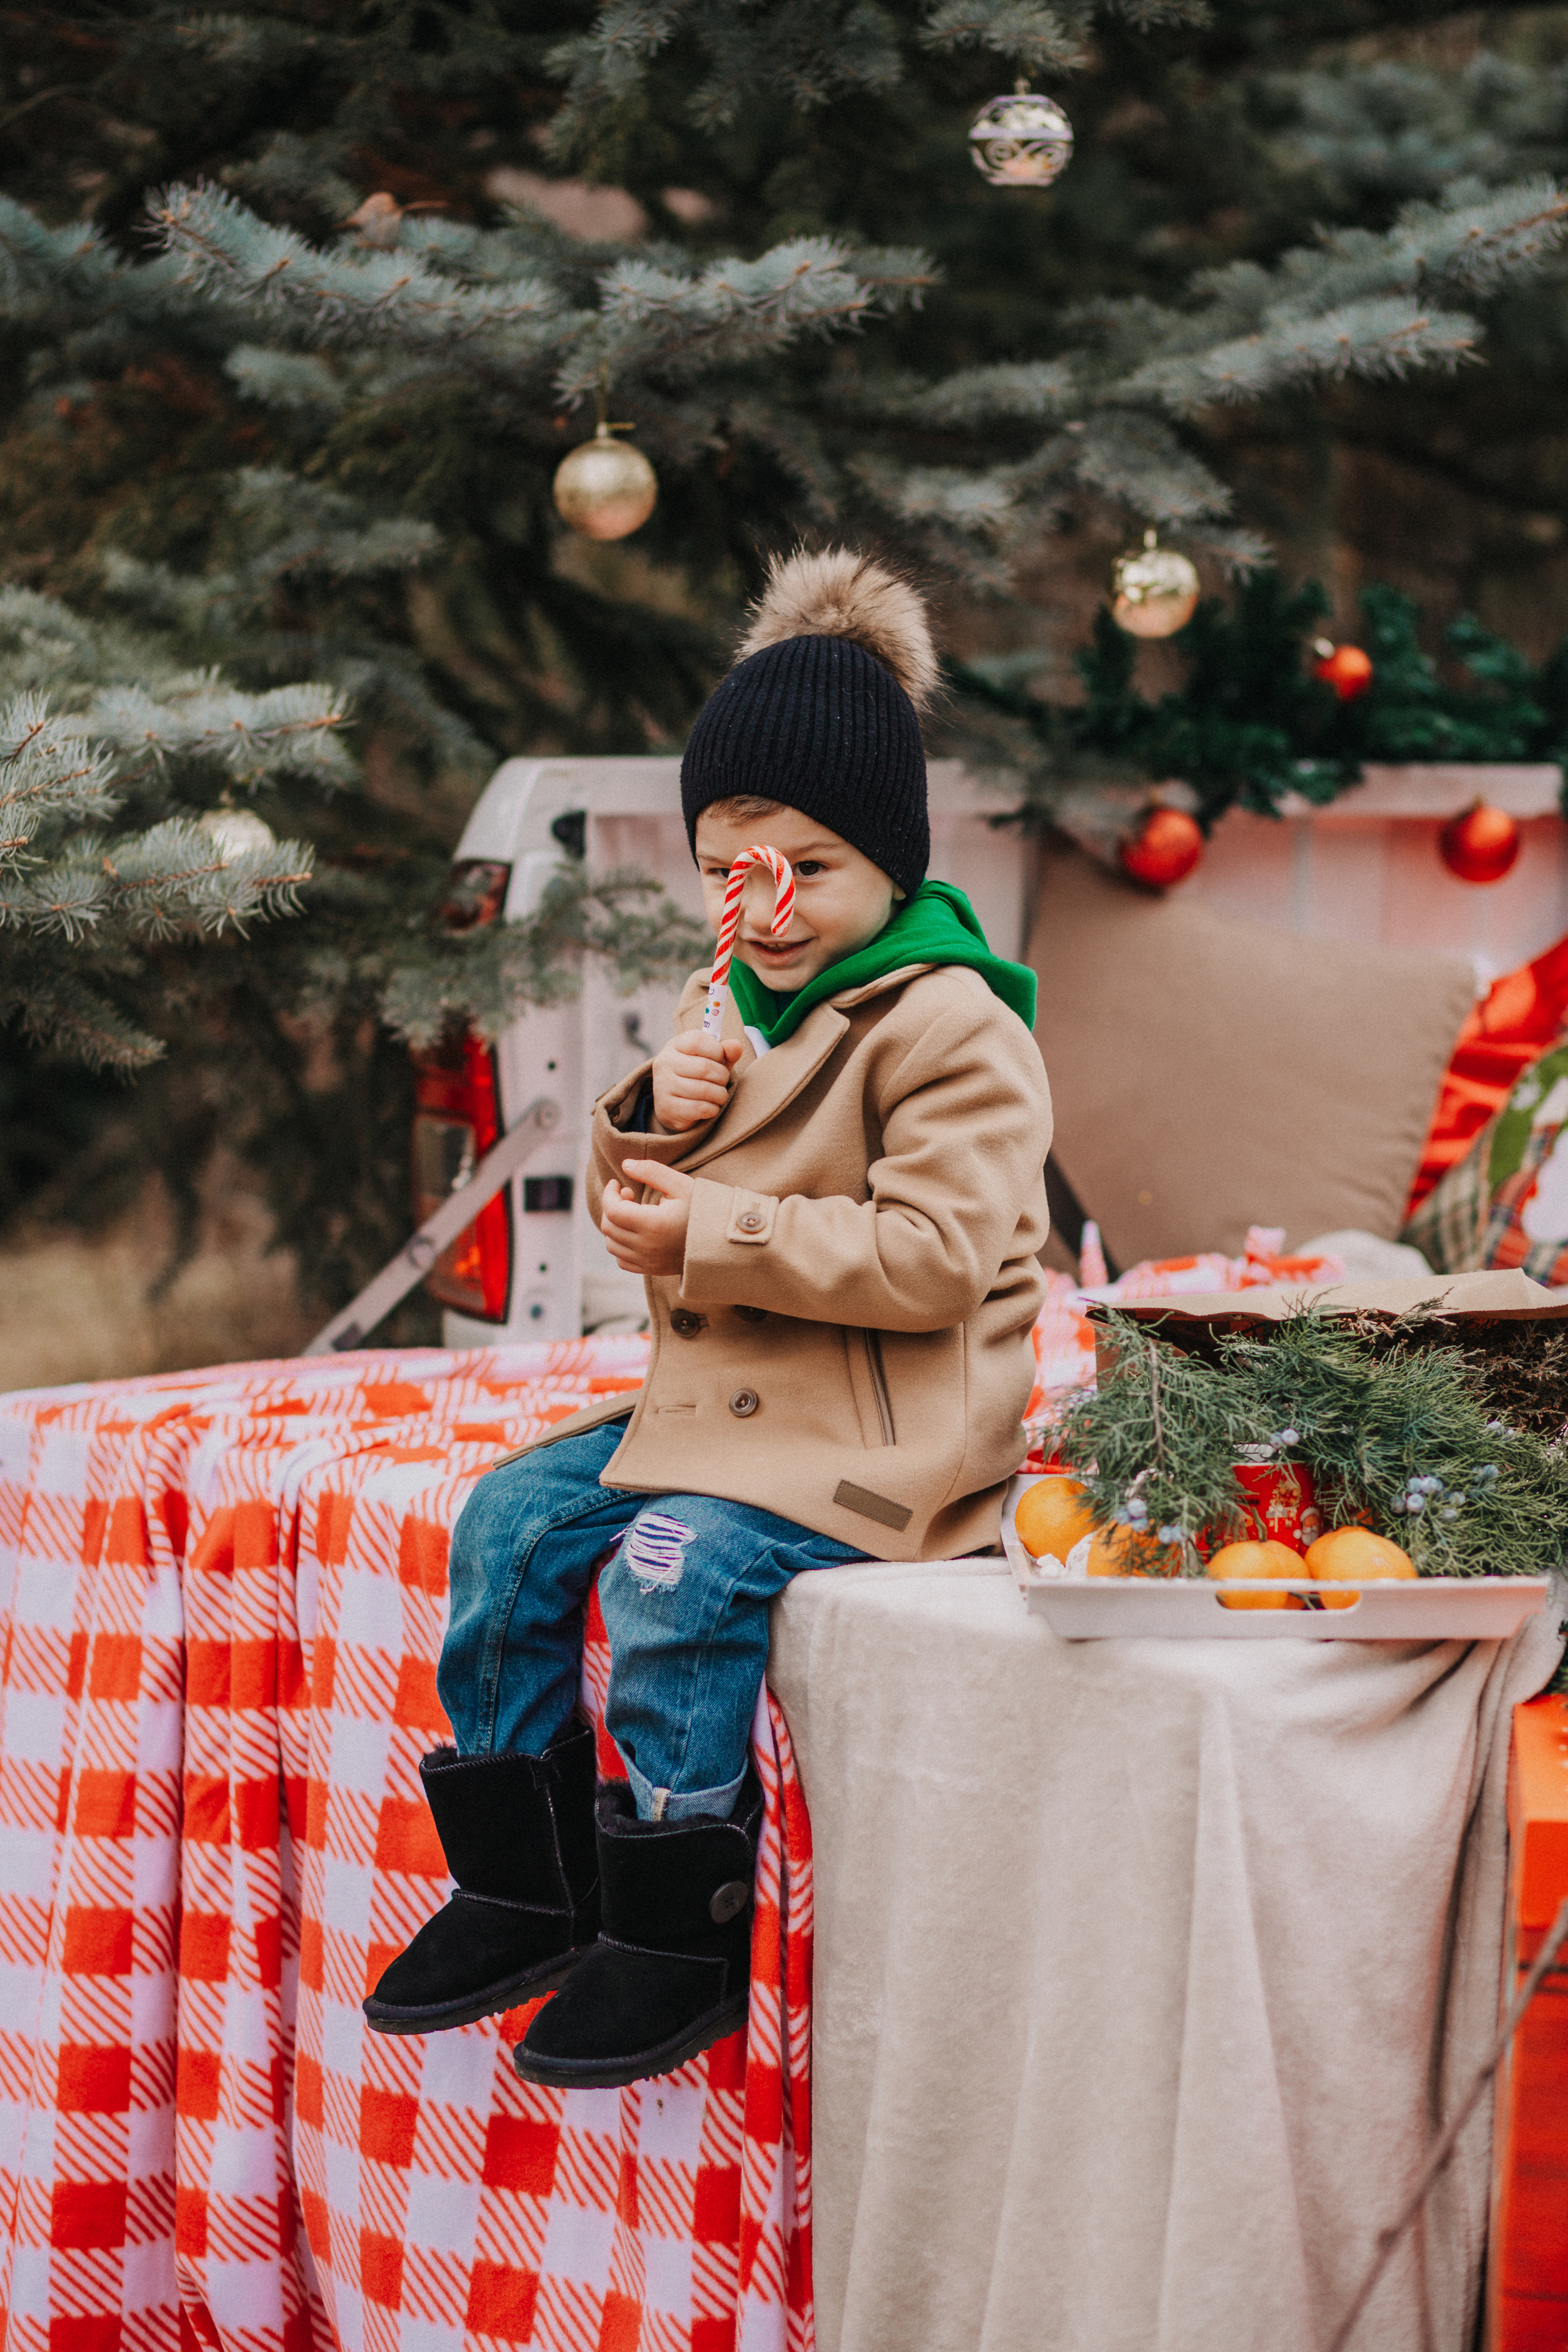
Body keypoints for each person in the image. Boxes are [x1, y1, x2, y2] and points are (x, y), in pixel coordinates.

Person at [364, 548, 1053, 2087]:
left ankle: (674, 1923)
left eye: (808, 866)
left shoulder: (953, 1026)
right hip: (731, 1402)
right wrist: (645, 1126)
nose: (770, 903)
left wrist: (711, 1223)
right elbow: (663, 1204)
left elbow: (936, 1258)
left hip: (880, 1436)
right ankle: (520, 1882)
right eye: (734, 869)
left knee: (674, 1573)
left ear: (889, 861)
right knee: (509, 1527)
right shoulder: (732, 996)